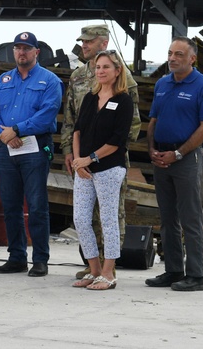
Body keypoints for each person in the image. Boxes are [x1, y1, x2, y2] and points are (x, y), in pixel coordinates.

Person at [61, 25, 141, 281]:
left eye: (89, 41)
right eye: (82, 41)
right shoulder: (77, 77)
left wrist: (112, 153)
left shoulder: (124, 78)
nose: (84, 45)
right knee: (83, 218)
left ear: (103, 43)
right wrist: (71, 155)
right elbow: (72, 120)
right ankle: (91, 265)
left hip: (110, 160)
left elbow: (132, 124)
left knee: (110, 216)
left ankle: (109, 268)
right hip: (81, 160)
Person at [0, 31, 63, 277]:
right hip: (7, 148)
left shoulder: (49, 81)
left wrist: (18, 129)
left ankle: (40, 259)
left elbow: (48, 113)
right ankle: (16, 257)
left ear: (36, 52)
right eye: (18, 48)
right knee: (10, 205)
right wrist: (4, 132)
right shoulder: (4, 80)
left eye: (26, 48)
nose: (21, 52)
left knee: (37, 205)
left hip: (35, 148)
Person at [145, 37, 203, 292]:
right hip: (161, 158)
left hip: (186, 159)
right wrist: (152, 149)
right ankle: (173, 270)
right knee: (167, 218)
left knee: (190, 218)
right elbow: (153, 120)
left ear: (192, 58)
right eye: (170, 53)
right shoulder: (163, 84)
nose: (172, 58)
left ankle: (197, 276)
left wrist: (177, 153)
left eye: (178, 54)